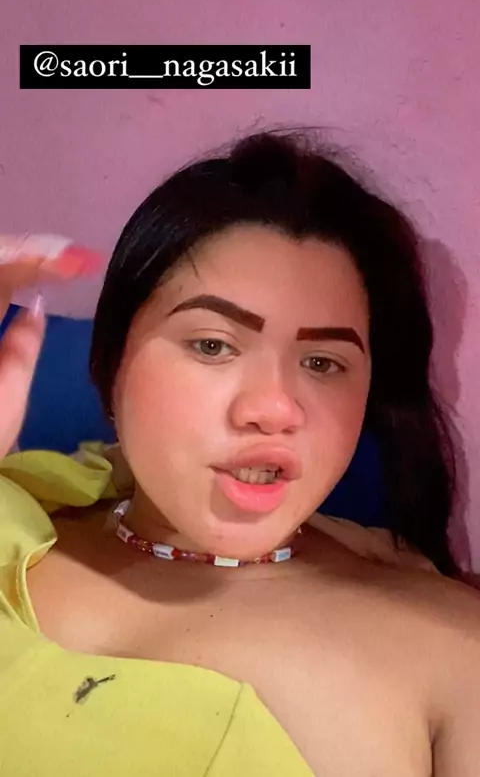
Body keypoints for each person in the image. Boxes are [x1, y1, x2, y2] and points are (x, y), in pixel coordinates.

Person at [1, 130, 479, 776]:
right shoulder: (20, 514)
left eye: (322, 362)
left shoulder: (453, 654)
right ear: (111, 364)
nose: (274, 409)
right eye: (213, 345)